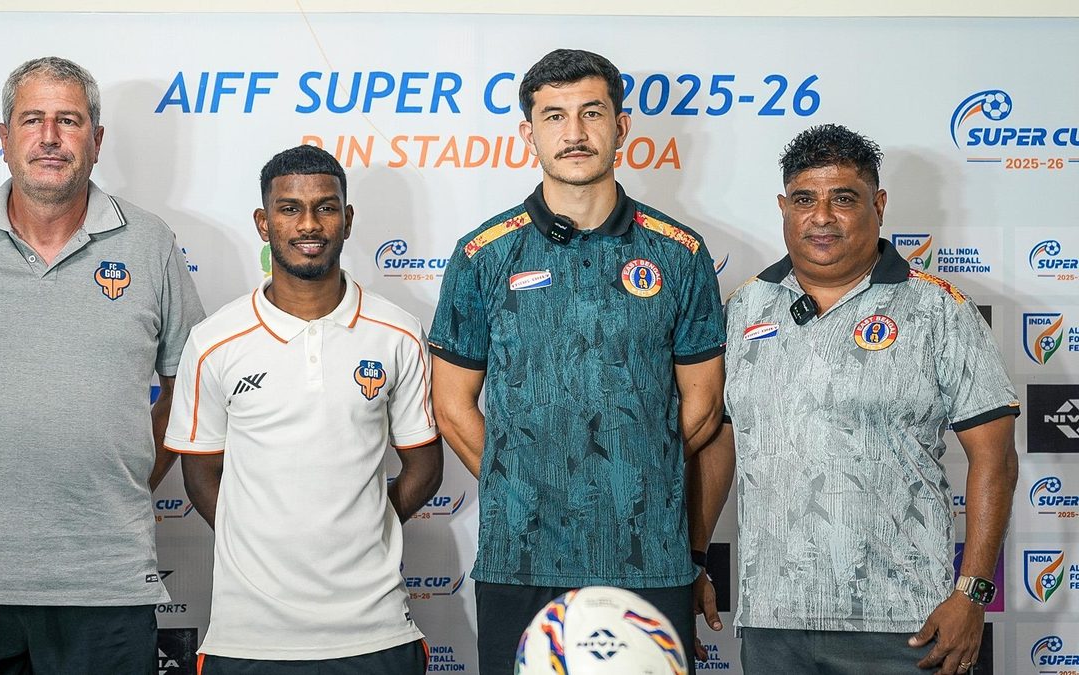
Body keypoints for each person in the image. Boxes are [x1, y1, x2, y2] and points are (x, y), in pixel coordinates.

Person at [0, 56, 205, 673]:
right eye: (32, 120)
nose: (50, 137)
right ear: (4, 137)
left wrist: (126, 480)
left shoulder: (151, 243)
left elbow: (189, 389)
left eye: (69, 121)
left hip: (104, 580)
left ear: (97, 140)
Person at [428, 48, 727, 672]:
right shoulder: (482, 255)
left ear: (621, 126)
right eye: (554, 116)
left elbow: (703, 406)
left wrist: (632, 480)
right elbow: (452, 407)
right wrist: (528, 483)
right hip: (521, 558)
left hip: (649, 557)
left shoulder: (680, 253)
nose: (574, 133)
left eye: (591, 113)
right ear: (528, 133)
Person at [717, 124, 1018, 675]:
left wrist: (972, 592)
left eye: (843, 199)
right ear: (783, 207)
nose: (822, 217)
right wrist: (695, 557)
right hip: (773, 621)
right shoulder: (744, 308)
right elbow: (718, 441)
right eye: (804, 200)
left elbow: (994, 457)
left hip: (907, 624)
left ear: (877, 205)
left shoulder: (938, 309)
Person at [163, 144, 442, 674]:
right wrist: (260, 545)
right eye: (289, 208)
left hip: (375, 629)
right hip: (249, 637)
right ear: (263, 223)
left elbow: (425, 467)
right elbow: (200, 476)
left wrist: (364, 529)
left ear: (348, 219)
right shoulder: (214, 341)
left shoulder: (398, 333)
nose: (309, 224)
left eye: (325, 207)